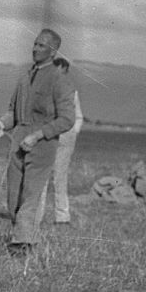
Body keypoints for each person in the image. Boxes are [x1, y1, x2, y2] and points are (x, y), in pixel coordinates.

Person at [0, 29, 76, 256]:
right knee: (14, 197)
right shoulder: (25, 77)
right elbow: (13, 111)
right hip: (17, 143)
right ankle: (23, 237)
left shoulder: (60, 79)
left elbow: (67, 119)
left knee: (31, 195)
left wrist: (38, 135)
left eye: (41, 46)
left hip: (42, 146)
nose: (35, 49)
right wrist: (2, 123)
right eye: (35, 44)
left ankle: (22, 244)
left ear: (53, 51)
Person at [49, 55, 84, 224]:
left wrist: (73, 132)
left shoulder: (72, 92)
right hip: (47, 135)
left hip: (65, 137)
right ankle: (35, 215)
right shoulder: (45, 90)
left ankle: (62, 217)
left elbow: (78, 116)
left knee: (59, 176)